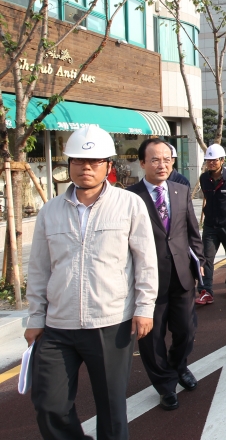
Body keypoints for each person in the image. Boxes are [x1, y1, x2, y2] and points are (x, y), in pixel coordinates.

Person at [26, 126, 158, 439]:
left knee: (112, 411)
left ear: (109, 166)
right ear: (68, 164)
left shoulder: (129, 205)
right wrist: (35, 318)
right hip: (59, 325)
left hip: (110, 322)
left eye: (95, 161)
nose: (86, 167)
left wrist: (145, 307)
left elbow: (145, 260)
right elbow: (39, 268)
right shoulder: (50, 211)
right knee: (49, 405)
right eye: (79, 161)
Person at [127, 139, 204, 411]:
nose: (162, 165)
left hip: (182, 275)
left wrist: (200, 261)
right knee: (151, 337)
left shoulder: (180, 191)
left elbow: (192, 231)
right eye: (155, 160)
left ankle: (179, 365)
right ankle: (165, 385)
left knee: (186, 330)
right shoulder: (129, 196)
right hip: (148, 280)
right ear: (142, 163)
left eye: (167, 159)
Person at [197, 144, 226, 304]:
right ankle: (207, 291)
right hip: (210, 225)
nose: (211, 163)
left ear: (222, 160)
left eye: (214, 160)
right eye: (208, 160)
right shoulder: (204, 178)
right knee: (207, 258)